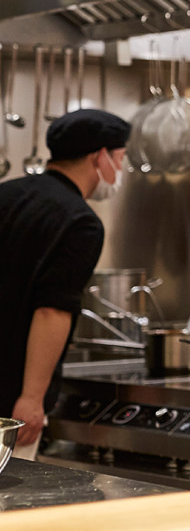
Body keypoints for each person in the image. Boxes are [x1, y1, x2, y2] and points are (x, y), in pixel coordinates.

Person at [0, 108, 130, 459]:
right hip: (8, 401)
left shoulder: (6, 194)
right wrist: (31, 398)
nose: (121, 169)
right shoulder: (80, 223)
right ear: (100, 156)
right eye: (121, 157)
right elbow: (52, 311)